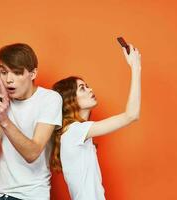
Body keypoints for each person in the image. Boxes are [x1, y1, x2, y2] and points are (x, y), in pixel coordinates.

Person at [51, 44, 141, 200]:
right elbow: (131, 115)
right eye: (82, 88)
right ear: (70, 100)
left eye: (87, 86)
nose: (90, 89)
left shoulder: (74, 132)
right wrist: (136, 68)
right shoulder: (74, 131)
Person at [0, 43, 62, 200]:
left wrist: (4, 120)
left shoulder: (49, 99)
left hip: (31, 195)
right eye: (4, 72)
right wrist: (1, 104)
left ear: (32, 74)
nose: (9, 80)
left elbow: (32, 153)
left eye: (17, 73)